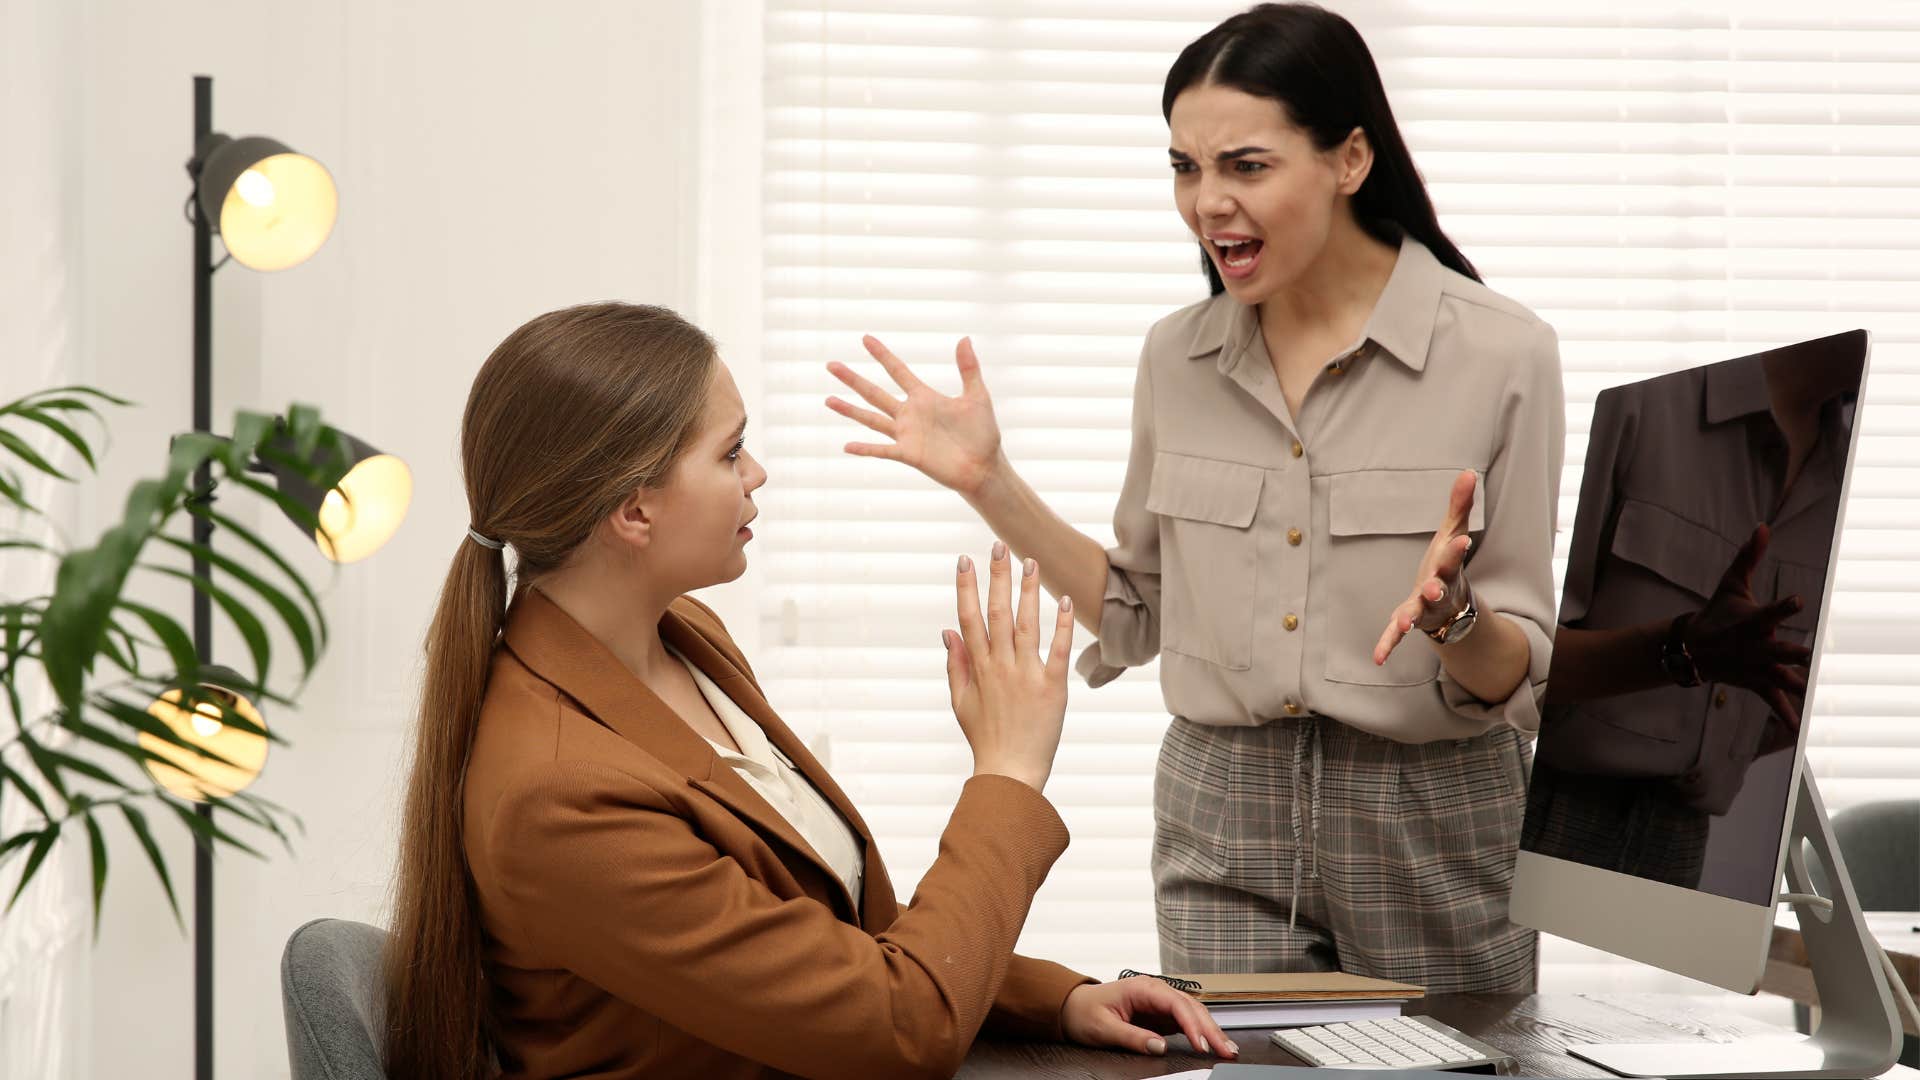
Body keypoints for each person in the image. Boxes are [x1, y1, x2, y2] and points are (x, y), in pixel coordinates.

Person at [824, 3, 1564, 992]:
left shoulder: (1505, 353)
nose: (1207, 202)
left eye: (1246, 166)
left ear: (1349, 159)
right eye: (1185, 167)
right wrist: (990, 484)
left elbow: (1524, 676)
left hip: (1434, 812)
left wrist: (1454, 617)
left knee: (1451, 1063)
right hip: (1223, 807)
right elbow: (1139, 614)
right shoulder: (1176, 358)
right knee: (1236, 1061)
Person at [379, 303, 1237, 1080]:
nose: (757, 473)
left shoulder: (686, 640)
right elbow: (896, 1028)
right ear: (634, 511)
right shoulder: (560, 795)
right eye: (730, 453)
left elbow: (819, 943)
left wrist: (1055, 1000)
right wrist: (1007, 773)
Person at [1527, 333, 1859, 896]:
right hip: (1550, 813)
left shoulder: (1843, 481)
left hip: (1682, 839)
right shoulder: (1638, 400)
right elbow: (1507, 653)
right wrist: (1681, 650)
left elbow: (1760, 700)